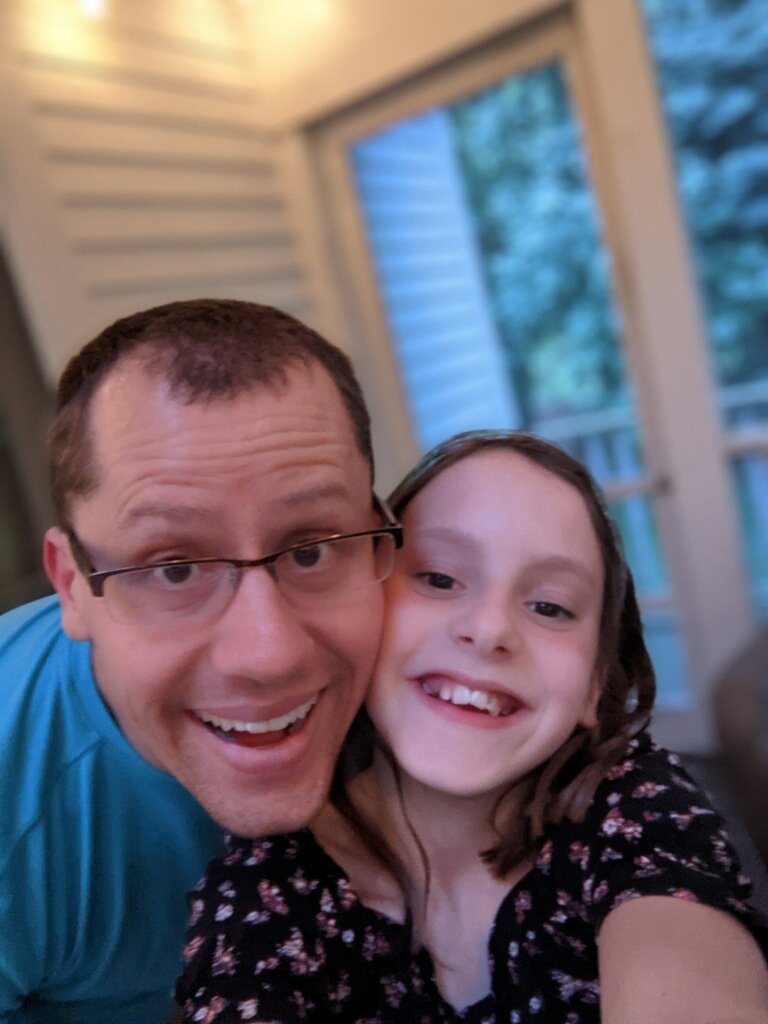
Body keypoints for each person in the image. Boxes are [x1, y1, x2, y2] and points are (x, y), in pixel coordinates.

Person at [178, 430, 768, 1024]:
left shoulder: (636, 805)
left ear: (594, 685)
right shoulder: (268, 885)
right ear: (359, 611)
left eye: (550, 606)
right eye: (438, 577)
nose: (489, 630)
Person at [0, 299, 400, 1024]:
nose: (269, 655)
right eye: (174, 568)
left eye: (311, 550)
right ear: (72, 585)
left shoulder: (434, 676)